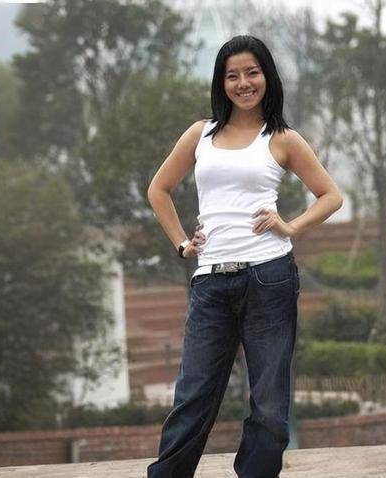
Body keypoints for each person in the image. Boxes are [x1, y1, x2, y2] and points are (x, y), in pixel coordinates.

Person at [146, 34, 343, 478]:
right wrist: (182, 243)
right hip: (211, 281)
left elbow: (331, 195)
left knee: (269, 403)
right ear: (222, 83)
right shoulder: (201, 134)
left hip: (269, 277)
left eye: (252, 72)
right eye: (232, 75)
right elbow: (159, 189)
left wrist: (290, 226)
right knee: (193, 396)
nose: (243, 83)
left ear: (267, 77)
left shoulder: (283, 138)